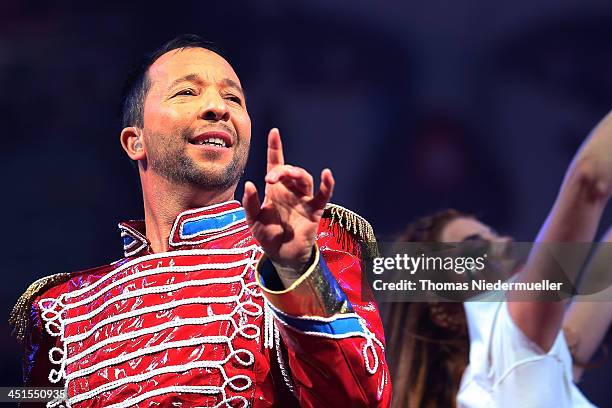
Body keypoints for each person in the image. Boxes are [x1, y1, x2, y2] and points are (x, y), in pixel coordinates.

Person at [10, 34, 391, 408]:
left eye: (233, 98)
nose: (218, 108)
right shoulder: (64, 306)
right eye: (187, 93)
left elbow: (362, 397)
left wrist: (294, 269)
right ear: (134, 141)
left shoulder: (304, 249)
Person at [385, 110, 612, 407]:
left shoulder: (524, 366)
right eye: (476, 245)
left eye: (495, 234)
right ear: (444, 307)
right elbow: (589, 180)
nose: (504, 242)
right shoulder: (508, 354)